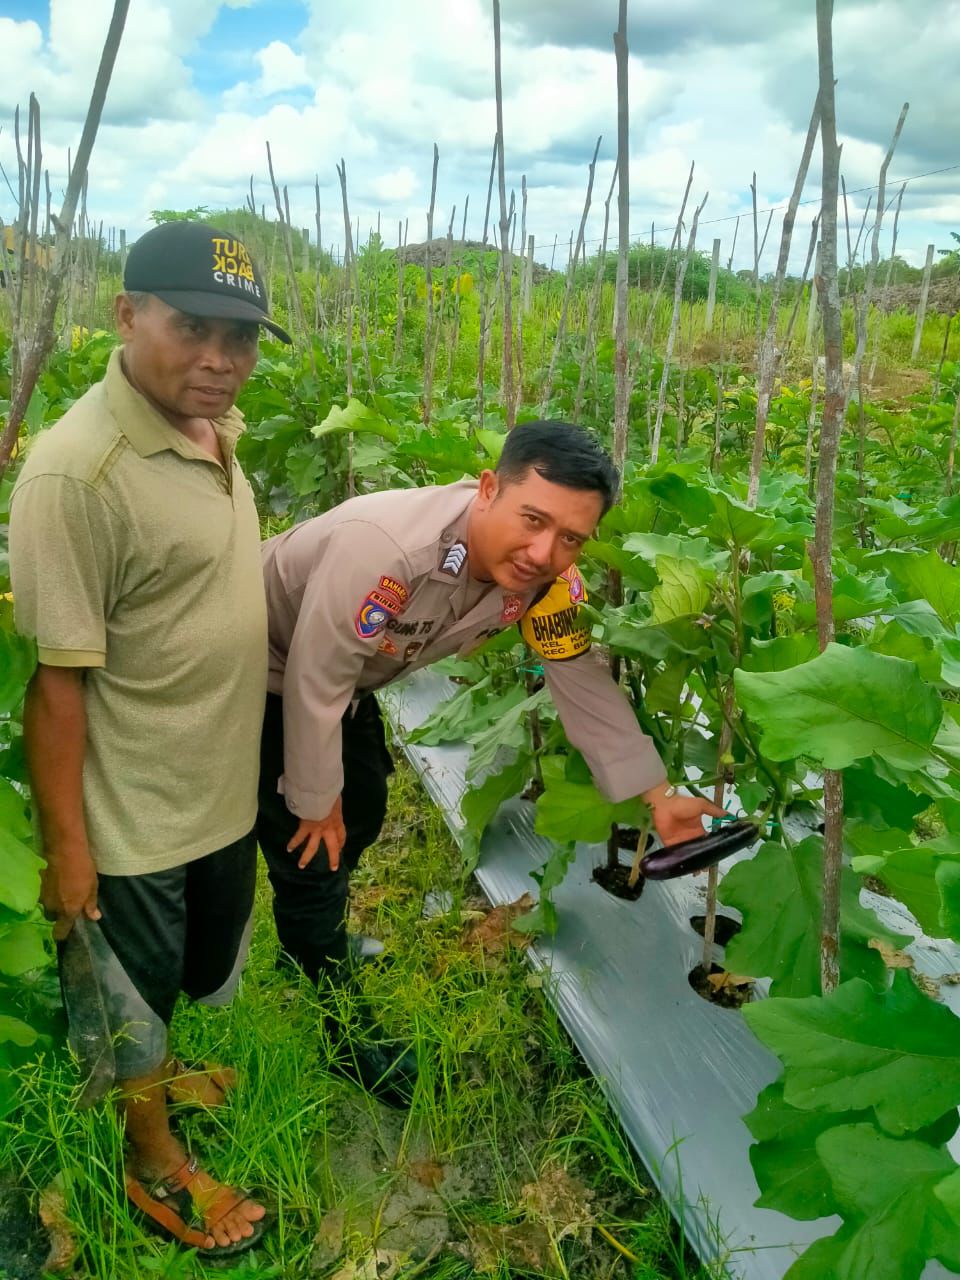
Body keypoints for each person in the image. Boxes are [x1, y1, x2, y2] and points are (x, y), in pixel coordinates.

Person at [259, 421, 723, 1100]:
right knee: (310, 837)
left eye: (571, 538)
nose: (545, 552)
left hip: (342, 684)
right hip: (250, 668)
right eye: (533, 520)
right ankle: (335, 1013)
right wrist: (311, 797)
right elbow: (314, 679)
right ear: (486, 489)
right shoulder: (388, 550)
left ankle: (308, 940)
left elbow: (581, 681)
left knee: (357, 809)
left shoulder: (545, 583)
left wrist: (657, 796)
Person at [10, 220, 292, 1258]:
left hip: (213, 788)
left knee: (184, 973)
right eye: (193, 329)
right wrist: (70, 848)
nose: (221, 359)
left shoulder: (214, 428)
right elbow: (56, 683)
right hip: (134, 810)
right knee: (127, 995)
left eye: (242, 337)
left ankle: (162, 1081)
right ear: (127, 317)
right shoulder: (77, 472)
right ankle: (154, 1162)